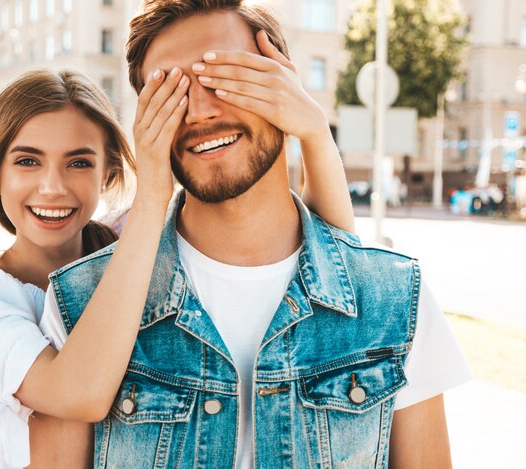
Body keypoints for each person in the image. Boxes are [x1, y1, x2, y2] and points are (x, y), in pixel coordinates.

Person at [40, 1, 469, 468]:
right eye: (171, 92)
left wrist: (315, 132)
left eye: (223, 78)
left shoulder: (393, 299)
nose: (199, 111)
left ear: (283, 85)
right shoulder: (78, 304)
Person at [0, 58, 355, 469]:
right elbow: (78, 393)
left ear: (108, 173)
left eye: (79, 162)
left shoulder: (129, 245)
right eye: (28, 161)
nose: (53, 186)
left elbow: (330, 251)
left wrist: (315, 131)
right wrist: (154, 190)